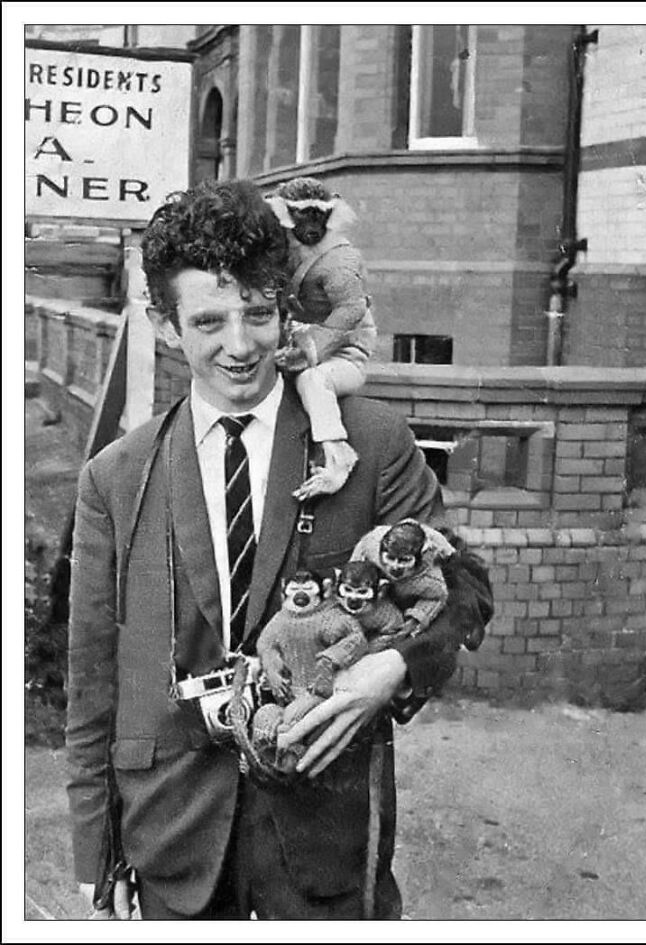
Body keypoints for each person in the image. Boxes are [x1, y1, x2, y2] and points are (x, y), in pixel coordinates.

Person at [65, 179, 490, 920]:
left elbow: (467, 590)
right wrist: (97, 850)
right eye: (207, 320)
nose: (240, 345)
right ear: (166, 326)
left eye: (259, 314)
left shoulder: (371, 442)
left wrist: (390, 668)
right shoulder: (115, 477)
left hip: (324, 835)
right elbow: (94, 676)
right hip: (171, 837)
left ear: (285, 309)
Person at [266, 176, 376, 500]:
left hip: (344, 354)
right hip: (302, 342)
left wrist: (308, 352)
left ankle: (339, 456)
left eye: (319, 215)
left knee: (314, 381)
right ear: (287, 213)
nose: (313, 225)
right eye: (304, 215)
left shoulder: (339, 259)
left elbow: (350, 311)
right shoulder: (287, 250)